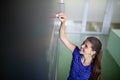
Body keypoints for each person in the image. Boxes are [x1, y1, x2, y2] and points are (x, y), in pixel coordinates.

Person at [58, 13, 102, 80]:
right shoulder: (76, 52)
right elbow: (63, 38)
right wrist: (63, 22)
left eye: (86, 46)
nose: (82, 46)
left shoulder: (95, 68)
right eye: (83, 43)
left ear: (93, 52)